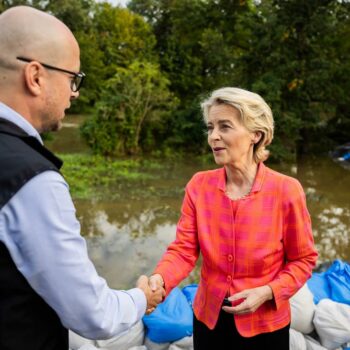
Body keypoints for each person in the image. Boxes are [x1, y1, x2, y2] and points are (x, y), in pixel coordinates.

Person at [0, 6, 164, 350]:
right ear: (35, 76)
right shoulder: (31, 178)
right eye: (73, 78)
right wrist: (141, 299)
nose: (75, 92)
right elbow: (93, 315)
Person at [149, 87, 318, 349]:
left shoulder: (286, 190)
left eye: (225, 126)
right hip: (208, 320)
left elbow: (303, 259)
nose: (213, 136)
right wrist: (160, 279)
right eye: (210, 127)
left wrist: (267, 292)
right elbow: (183, 251)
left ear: (256, 135)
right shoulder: (198, 185)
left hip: (265, 325)